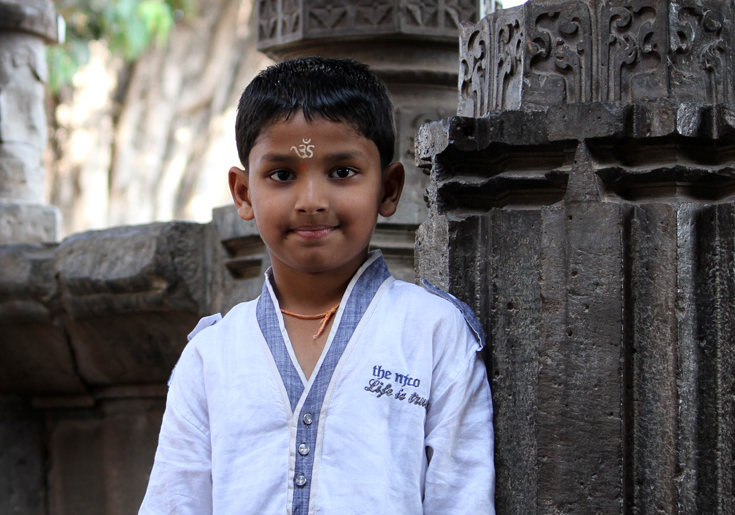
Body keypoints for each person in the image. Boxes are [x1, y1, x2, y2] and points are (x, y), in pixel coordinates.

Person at [138, 56, 495, 515]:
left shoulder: (433, 334)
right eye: (283, 174)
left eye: (342, 171)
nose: (311, 202)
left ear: (389, 188)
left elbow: (462, 499)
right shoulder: (212, 357)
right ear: (244, 194)